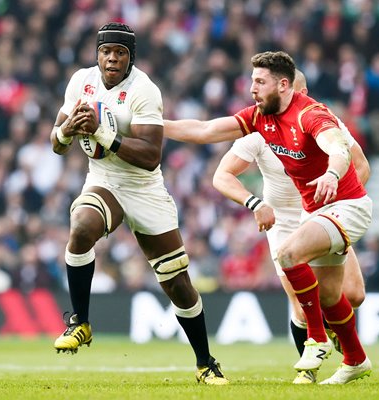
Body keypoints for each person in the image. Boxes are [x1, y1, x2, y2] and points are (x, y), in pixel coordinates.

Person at [164, 51, 373, 384]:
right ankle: (354, 360)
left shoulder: (312, 114)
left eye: (259, 82)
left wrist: (333, 176)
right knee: (328, 296)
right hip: (300, 216)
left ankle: (317, 340)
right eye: (252, 82)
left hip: (341, 208)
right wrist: (148, 125)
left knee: (328, 280)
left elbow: (340, 148)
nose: (252, 89)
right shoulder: (259, 121)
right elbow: (204, 130)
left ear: (287, 87)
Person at [49, 22, 228, 385]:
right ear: (96, 54)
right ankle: (80, 322)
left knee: (177, 283)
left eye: (120, 52)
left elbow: (150, 156)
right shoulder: (81, 81)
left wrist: (102, 131)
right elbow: (56, 141)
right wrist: (67, 131)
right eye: (105, 51)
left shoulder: (144, 90)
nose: (111, 58)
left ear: (131, 57)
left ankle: (205, 362)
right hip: (104, 180)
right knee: (82, 225)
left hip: (144, 188)